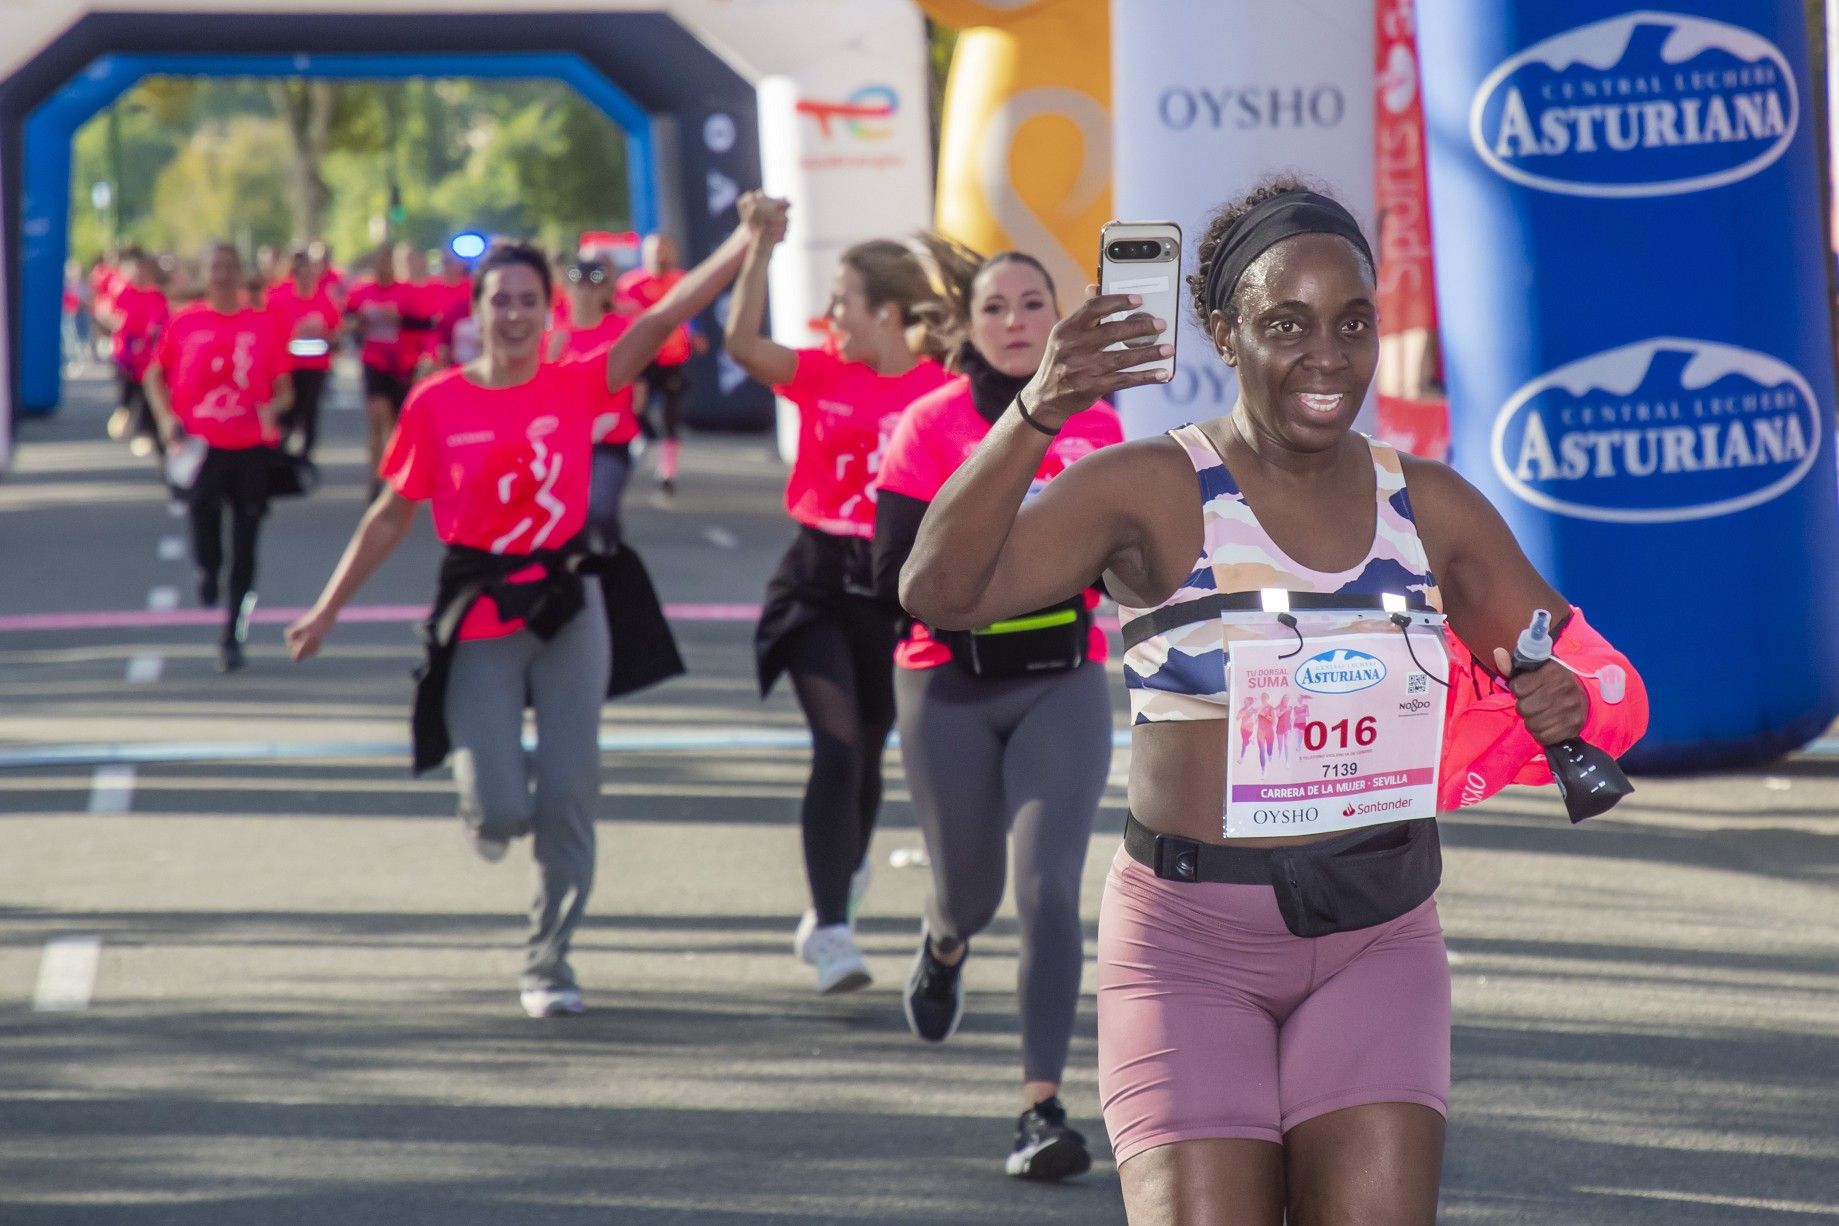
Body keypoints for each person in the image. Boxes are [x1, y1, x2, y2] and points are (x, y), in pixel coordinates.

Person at [897, 180, 1648, 1223]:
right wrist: (1040, 407)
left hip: (1379, 936)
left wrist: (1563, 695)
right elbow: (940, 590)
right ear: (1222, 329)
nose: (1327, 355)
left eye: (1351, 322)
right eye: (1285, 323)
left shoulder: (1426, 503)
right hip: (1187, 948)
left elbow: (1595, 675)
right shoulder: (1151, 487)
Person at [284, 193, 786, 1020]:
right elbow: (390, 513)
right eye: (497, 300)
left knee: (569, 791)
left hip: (568, 601)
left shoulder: (578, 382)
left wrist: (745, 238)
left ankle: (549, 962)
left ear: (545, 310)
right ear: (474, 311)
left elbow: (667, 311)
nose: (512, 314)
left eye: (526, 300)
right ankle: (486, 804)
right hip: (482, 606)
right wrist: (330, 606)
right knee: (503, 807)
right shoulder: (437, 402)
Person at [872, 247, 1121, 1180]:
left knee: (1050, 889)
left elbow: (1126, 560)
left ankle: (1040, 1107)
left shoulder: (1100, 427)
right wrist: (1010, 566)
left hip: (1061, 674)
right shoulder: (927, 425)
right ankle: (942, 943)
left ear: (1055, 320)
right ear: (967, 325)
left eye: (1032, 305)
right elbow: (893, 580)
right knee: (971, 895)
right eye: (995, 307)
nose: (1014, 321)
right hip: (945, 682)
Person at [724, 229, 957, 994]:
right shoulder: (820, 373)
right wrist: (757, 248)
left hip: (892, 591)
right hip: (817, 581)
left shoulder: (939, 392)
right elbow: (740, 342)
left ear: (887, 313)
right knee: (836, 748)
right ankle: (830, 931)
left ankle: (840, 882)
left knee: (865, 751)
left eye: (842, 303)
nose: (830, 318)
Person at [145, 242, 293, 673]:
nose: (223, 275)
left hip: (251, 448)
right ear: (205, 275)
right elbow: (155, 375)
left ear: (241, 274)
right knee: (205, 530)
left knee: (246, 545)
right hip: (201, 448)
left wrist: (273, 408)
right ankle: (209, 571)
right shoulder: (185, 322)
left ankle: (232, 634)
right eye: (216, 268)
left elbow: (286, 391)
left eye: (230, 267)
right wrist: (165, 418)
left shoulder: (263, 325)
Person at [547, 259, 643, 548]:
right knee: (570, 521)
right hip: (567, 443)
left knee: (600, 508)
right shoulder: (554, 338)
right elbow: (540, 393)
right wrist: (551, 358)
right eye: (579, 285)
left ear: (605, 292)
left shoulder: (623, 328)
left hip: (611, 440)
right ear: (567, 290)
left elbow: (637, 367)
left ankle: (614, 556)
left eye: (594, 285)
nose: (585, 292)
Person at [617, 233, 699, 495]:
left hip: (672, 357)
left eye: (665, 250)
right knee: (635, 406)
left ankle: (668, 471)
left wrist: (694, 336)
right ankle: (643, 438)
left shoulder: (681, 281)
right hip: (642, 357)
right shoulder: (630, 284)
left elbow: (692, 315)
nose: (660, 255)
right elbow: (619, 319)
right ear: (645, 253)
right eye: (655, 250)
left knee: (670, 416)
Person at [345, 247, 421, 481]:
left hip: (401, 366)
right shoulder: (361, 292)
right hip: (374, 361)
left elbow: (423, 324)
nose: (382, 269)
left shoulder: (407, 292)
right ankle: (376, 476)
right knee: (378, 416)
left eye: (386, 264)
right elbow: (347, 321)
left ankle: (395, 473)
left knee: (396, 424)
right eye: (378, 264)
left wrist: (397, 319)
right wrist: (357, 325)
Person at [265, 247, 342, 460]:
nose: (309, 279)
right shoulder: (277, 297)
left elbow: (336, 330)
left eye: (312, 274)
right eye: (304, 274)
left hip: (315, 365)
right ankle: (280, 450)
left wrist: (324, 335)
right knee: (288, 409)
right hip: (286, 365)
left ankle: (305, 454)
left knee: (309, 409)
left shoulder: (323, 299)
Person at [100, 249, 171, 456]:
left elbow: (163, 322)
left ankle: (144, 432)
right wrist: (113, 322)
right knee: (128, 390)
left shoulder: (156, 296)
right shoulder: (122, 291)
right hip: (125, 354)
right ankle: (124, 412)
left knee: (146, 394)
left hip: (149, 357)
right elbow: (107, 313)